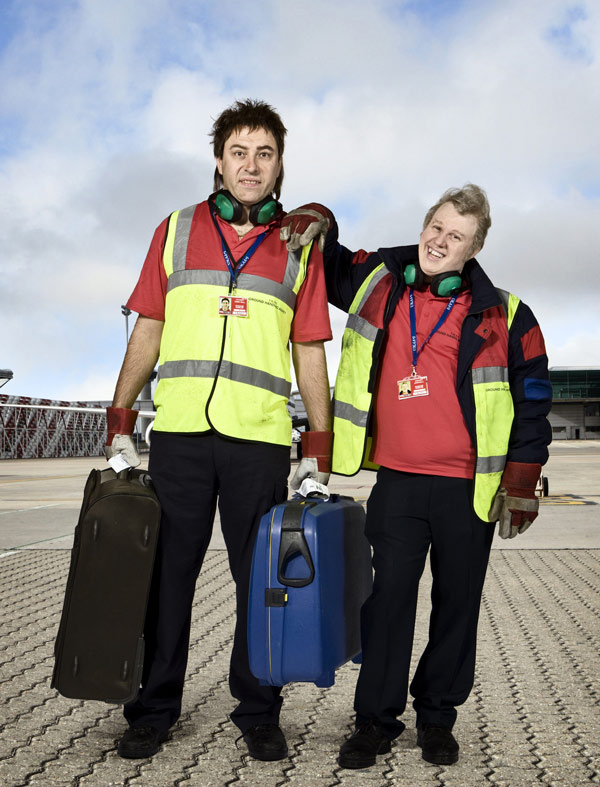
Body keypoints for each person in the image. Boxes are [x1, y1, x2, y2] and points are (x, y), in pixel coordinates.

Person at [281, 185, 552, 769]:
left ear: (473, 249)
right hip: (398, 482)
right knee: (387, 603)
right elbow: (325, 261)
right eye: (436, 226)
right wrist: (318, 216)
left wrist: (524, 478)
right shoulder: (380, 280)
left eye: (455, 236)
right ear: (424, 224)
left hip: (467, 489)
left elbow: (533, 399)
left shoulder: (507, 314)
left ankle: (436, 718)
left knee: (457, 606)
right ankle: (375, 720)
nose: (439, 241)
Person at [105, 99, 333, 761]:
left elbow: (310, 349)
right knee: (166, 576)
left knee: (261, 581)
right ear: (219, 160)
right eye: (240, 152)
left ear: (280, 165)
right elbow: (147, 327)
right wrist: (120, 415)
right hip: (178, 433)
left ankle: (258, 708)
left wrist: (316, 446)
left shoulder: (300, 245)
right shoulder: (174, 230)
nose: (251, 165)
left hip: (258, 439)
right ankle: (153, 707)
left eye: (265, 154)